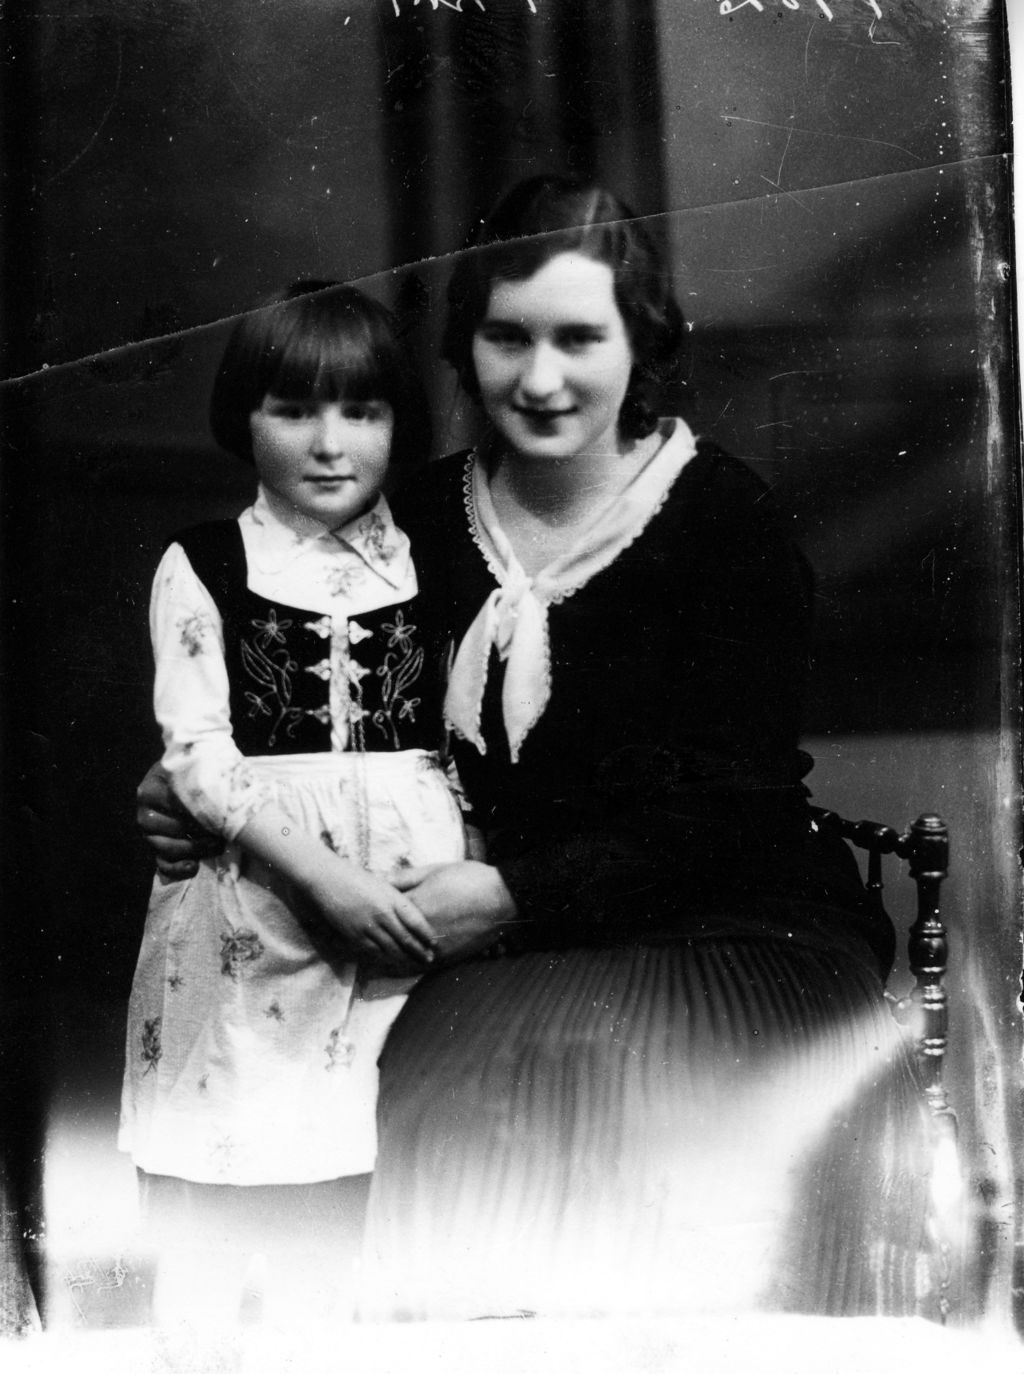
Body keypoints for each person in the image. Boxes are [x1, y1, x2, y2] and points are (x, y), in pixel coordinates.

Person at [139, 179, 937, 1322]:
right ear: (465, 349)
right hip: (484, 944)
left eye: (579, 338)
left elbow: (732, 807)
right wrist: (180, 790)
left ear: (640, 342)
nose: (542, 378)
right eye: (508, 338)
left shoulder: (722, 520)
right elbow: (281, 696)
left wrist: (513, 895)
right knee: (434, 1092)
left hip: (731, 924)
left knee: (631, 1091)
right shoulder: (407, 522)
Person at [119, 281, 472, 1330]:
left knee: (351, 1197)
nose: (329, 443)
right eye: (294, 410)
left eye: (362, 411)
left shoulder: (435, 560)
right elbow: (196, 754)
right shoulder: (207, 563)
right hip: (255, 904)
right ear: (246, 417)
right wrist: (322, 876)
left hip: (404, 915)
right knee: (221, 1177)